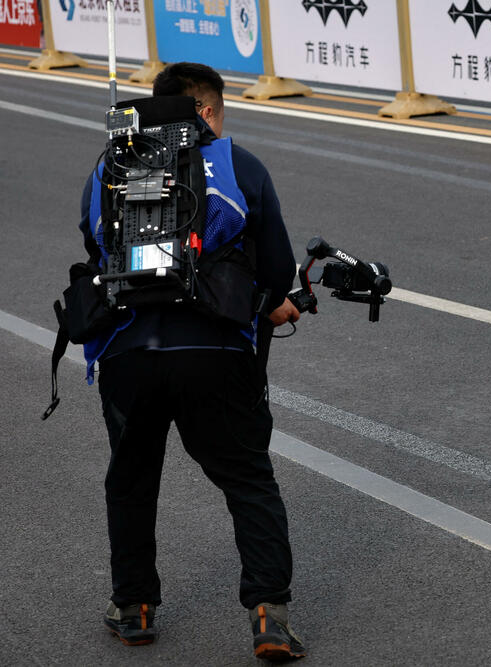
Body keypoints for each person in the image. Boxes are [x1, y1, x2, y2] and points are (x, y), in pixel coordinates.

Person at [77, 62, 305, 661]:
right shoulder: (237, 163)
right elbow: (278, 271)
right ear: (205, 112)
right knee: (248, 479)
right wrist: (266, 297)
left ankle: (134, 608)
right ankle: (268, 617)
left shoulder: (110, 166)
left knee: (131, 481)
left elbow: (93, 242)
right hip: (215, 351)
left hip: (127, 351)